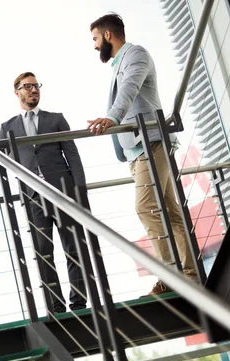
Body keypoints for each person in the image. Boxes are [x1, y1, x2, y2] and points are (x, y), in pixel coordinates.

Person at [0, 72, 88, 313]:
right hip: (33, 199)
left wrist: (80, 193)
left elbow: (73, 157)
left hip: (63, 193)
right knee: (43, 253)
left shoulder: (56, 119)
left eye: (36, 86)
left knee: (74, 250)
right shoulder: (8, 128)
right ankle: (56, 308)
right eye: (28, 86)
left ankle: (78, 304)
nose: (34, 90)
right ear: (17, 92)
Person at [86, 13, 199, 296]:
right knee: (171, 212)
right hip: (138, 150)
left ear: (108, 35)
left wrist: (112, 117)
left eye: (96, 39)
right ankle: (191, 273)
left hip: (151, 143)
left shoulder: (135, 54)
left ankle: (171, 276)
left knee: (146, 207)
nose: (95, 45)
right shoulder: (117, 64)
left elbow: (130, 88)